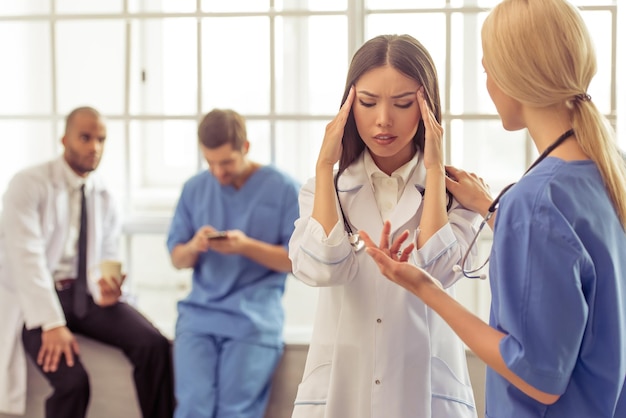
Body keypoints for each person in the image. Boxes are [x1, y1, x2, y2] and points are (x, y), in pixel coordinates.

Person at [362, 1, 626, 417]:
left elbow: (538, 380)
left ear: (512, 78)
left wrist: (423, 287)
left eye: (486, 70)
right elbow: (573, 261)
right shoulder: (609, 174)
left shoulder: (535, 203)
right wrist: (491, 207)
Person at [288, 34, 480, 418]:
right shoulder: (324, 190)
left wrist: (433, 167)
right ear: (348, 106)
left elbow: (438, 271)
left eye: (404, 103)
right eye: (368, 102)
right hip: (342, 388)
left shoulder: (459, 193)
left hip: (426, 388)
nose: (383, 120)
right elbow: (323, 267)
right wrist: (325, 166)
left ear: (428, 110)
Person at [0, 106, 175, 418]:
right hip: (36, 300)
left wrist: (107, 288)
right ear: (64, 138)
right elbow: (25, 259)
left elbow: (106, 254)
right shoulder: (27, 184)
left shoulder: (104, 194)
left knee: (155, 346)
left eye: (101, 139)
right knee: (74, 383)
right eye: (85, 137)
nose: (94, 147)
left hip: (85, 297)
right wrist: (52, 324)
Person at [166, 108, 300, 418]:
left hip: (252, 319)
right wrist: (194, 246)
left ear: (246, 148)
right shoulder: (194, 189)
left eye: (226, 162)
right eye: (210, 163)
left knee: (234, 412)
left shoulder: (283, 189)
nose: (218, 173)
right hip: (199, 318)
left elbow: (297, 260)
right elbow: (177, 257)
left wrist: (245, 246)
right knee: (192, 409)